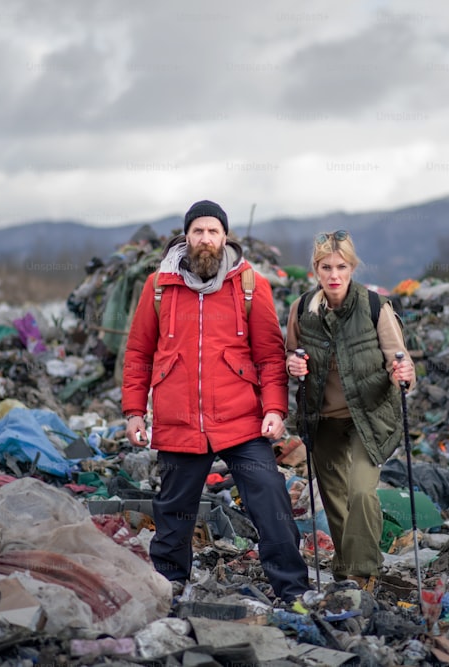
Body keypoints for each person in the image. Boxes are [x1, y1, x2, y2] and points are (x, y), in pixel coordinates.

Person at [122, 199, 309, 603]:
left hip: (241, 419)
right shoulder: (158, 287)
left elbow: (269, 356)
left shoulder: (249, 285)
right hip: (179, 421)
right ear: (186, 237)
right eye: (198, 231)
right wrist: (135, 411)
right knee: (173, 512)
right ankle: (170, 585)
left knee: (269, 497)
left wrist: (275, 409)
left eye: (213, 232)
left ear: (225, 237)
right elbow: (138, 353)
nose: (205, 239)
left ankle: (292, 590)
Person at [285, 230, 416, 591]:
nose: (334, 275)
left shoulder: (376, 307)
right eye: (326, 267)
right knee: (334, 498)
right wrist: (292, 366)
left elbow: (401, 363)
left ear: (352, 267)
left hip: (368, 416)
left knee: (360, 491)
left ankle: (363, 572)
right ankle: (347, 571)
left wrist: (403, 375)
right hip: (322, 418)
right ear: (316, 269)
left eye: (341, 266)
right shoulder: (302, 309)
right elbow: (290, 356)